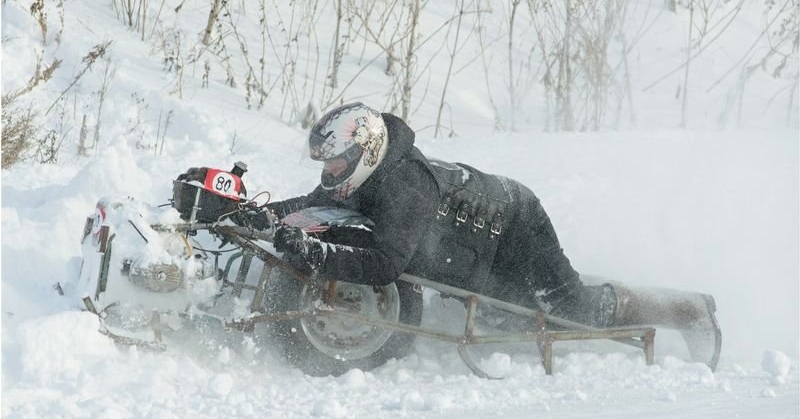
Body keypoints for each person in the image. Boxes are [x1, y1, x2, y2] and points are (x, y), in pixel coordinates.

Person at [236, 102, 721, 365]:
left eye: (337, 161)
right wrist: (260, 215)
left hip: (512, 225)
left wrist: (304, 248)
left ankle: (687, 310)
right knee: (508, 316)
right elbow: (321, 204)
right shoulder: (368, 171)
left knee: (567, 311)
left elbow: (386, 265)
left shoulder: (406, 186)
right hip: (475, 245)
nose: (331, 170)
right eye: (326, 162)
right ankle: (598, 289)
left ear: (364, 152)